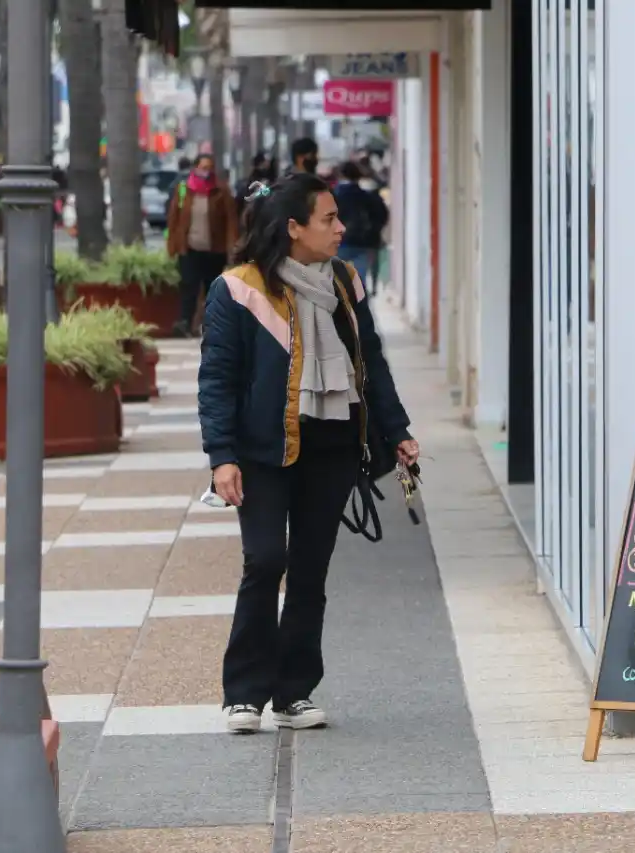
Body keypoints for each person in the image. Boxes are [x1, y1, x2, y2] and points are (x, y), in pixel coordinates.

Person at [198, 173, 419, 733]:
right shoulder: (239, 289)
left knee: (310, 572)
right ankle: (243, 693)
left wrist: (397, 430)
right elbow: (218, 380)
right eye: (328, 219)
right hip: (263, 452)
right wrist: (222, 456)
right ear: (293, 228)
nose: (341, 228)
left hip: (333, 447)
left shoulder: (345, 281)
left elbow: (370, 360)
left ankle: (294, 692)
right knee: (265, 560)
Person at [166, 153, 238, 337]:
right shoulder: (183, 190)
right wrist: (172, 245)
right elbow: (174, 218)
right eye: (203, 167)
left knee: (211, 288)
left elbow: (231, 221)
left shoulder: (221, 191)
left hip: (214, 250)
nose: (206, 171)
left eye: (209, 168)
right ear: (195, 168)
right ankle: (185, 322)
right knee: (188, 285)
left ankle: (210, 325)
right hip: (189, 248)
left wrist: (232, 246)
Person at [332, 161, 389, 292]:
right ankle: (360, 309)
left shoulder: (333, 196)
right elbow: (381, 215)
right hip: (362, 244)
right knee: (360, 284)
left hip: (338, 244)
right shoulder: (367, 196)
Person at [236, 151, 274, 221]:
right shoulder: (261, 180)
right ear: (261, 163)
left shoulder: (252, 179)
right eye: (266, 162)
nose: (268, 164)